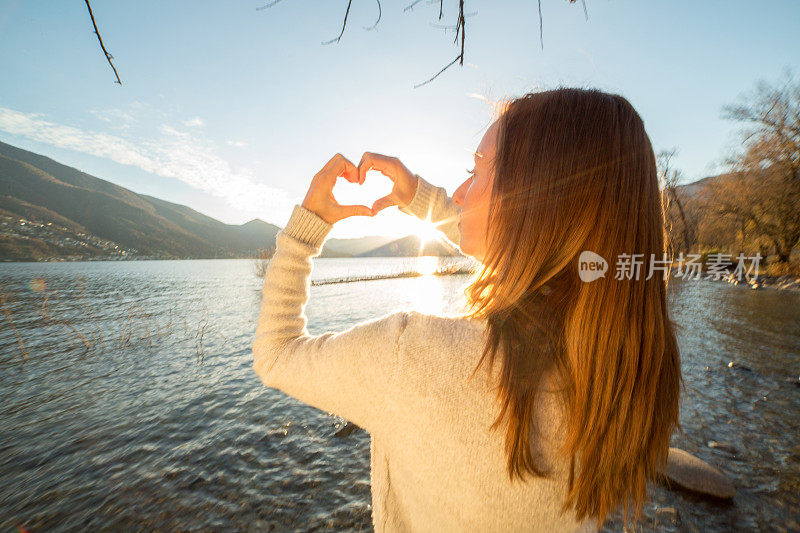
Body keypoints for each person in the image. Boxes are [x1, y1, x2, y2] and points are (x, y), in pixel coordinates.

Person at [252, 87, 682, 532]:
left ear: (532, 201)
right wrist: (419, 197)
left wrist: (308, 226)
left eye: (474, 172)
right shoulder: (625, 364)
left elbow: (275, 354)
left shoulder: (411, 355)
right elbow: (529, 252)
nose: (459, 191)